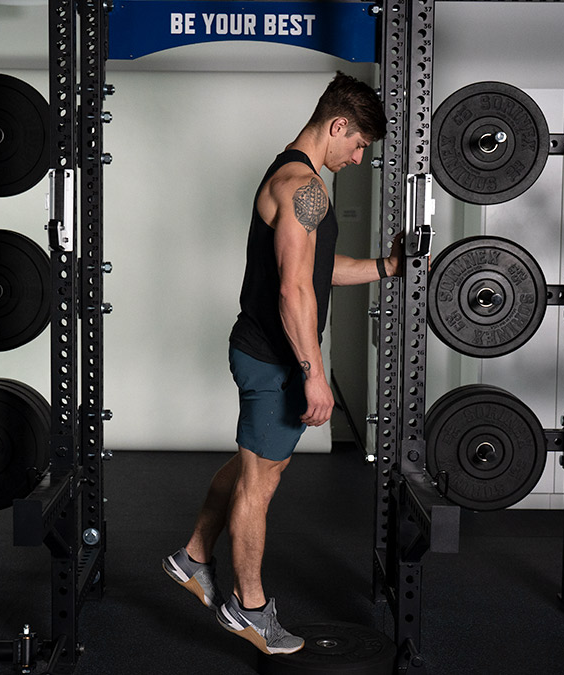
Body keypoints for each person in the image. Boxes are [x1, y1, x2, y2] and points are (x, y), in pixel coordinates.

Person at [162, 72, 396, 655]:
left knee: (256, 467)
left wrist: (386, 268)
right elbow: (295, 292)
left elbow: (317, 270)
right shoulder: (304, 186)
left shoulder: (297, 180)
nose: (359, 156)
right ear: (338, 125)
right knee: (261, 483)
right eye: (359, 143)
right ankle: (249, 608)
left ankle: (191, 558)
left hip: (266, 350)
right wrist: (314, 373)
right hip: (275, 358)